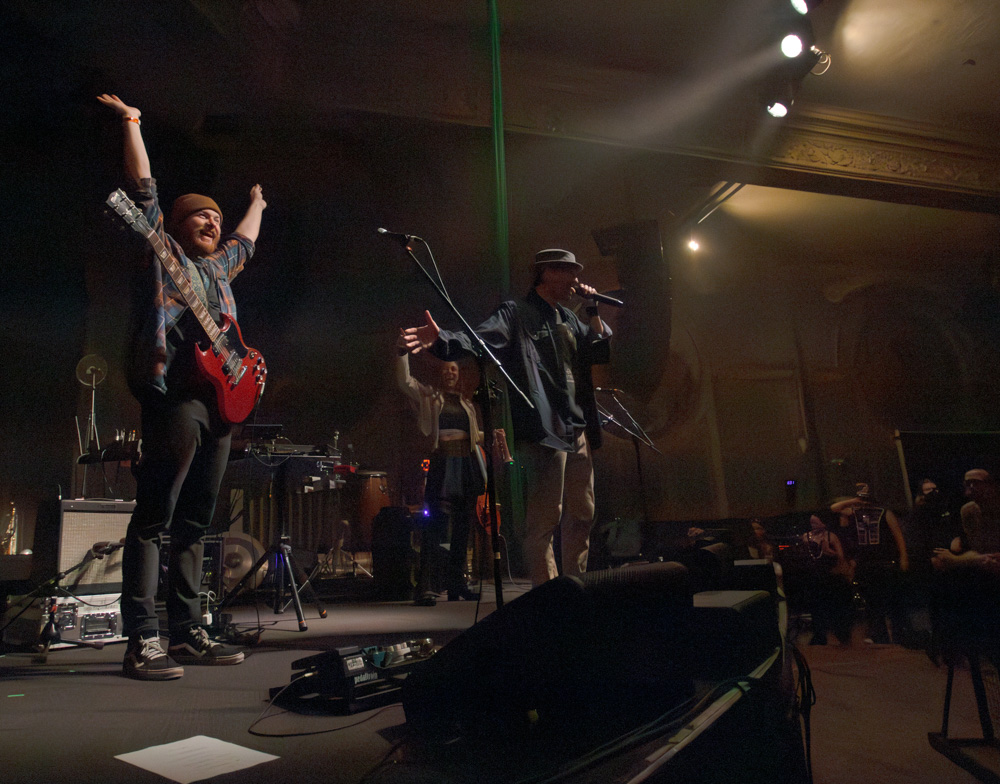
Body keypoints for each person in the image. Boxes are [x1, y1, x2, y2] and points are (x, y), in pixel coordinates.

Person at [98, 94, 267, 680]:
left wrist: (256, 203)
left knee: (197, 522)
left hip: (221, 407)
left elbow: (245, 241)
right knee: (154, 518)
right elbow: (142, 189)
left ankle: (189, 630)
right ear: (176, 223)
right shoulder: (159, 251)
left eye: (216, 217)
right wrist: (133, 124)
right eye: (201, 215)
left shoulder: (220, 269)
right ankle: (142, 638)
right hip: (174, 396)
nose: (213, 222)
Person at [400, 249, 611, 586]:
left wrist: (593, 309)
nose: (574, 279)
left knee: (583, 515)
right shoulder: (517, 313)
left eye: (576, 272)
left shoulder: (570, 319)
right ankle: (551, 597)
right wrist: (443, 341)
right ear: (545, 274)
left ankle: (577, 588)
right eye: (568, 272)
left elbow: (600, 348)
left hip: (578, 429)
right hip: (547, 430)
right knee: (545, 520)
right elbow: (478, 339)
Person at [395, 344, 486, 605]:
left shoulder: (467, 404)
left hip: (465, 464)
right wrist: (402, 353)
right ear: (441, 373)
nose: (450, 372)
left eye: (454, 369)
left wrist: (491, 434)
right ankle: (424, 587)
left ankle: (457, 584)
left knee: (462, 529)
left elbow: (473, 436)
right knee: (434, 527)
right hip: (442, 464)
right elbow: (405, 382)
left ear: (459, 374)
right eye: (446, 368)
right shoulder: (431, 397)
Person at [830, 483, 909, 644]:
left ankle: (901, 637)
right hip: (866, 564)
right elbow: (834, 508)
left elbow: (898, 536)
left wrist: (903, 557)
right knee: (872, 603)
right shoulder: (854, 513)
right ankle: (880, 637)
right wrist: (854, 501)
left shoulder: (884, 512)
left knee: (892, 601)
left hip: (884, 562)